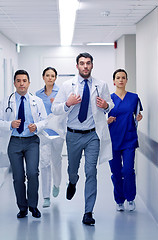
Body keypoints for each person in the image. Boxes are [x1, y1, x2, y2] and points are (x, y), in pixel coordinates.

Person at [52, 52, 114, 225]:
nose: (85, 66)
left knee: (91, 171)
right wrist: (68, 103)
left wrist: (106, 105)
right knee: (73, 169)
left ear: (92, 65)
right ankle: (72, 182)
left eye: (88, 63)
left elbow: (110, 104)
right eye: (82, 63)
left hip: (93, 134)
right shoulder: (67, 86)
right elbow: (55, 109)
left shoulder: (101, 85)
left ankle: (88, 212)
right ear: (77, 66)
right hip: (73, 135)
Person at [0, 70, 47, 218]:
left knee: (33, 173)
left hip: (31, 142)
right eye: (18, 80)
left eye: (24, 80)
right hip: (14, 142)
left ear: (29, 83)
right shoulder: (5, 102)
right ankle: (22, 207)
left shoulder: (37, 101)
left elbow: (45, 120)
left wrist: (37, 126)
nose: (21, 83)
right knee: (18, 177)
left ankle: (33, 206)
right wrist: (10, 124)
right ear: (14, 83)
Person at [107, 69, 143, 212]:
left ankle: (130, 198)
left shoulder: (134, 98)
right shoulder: (108, 99)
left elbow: (137, 114)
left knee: (127, 170)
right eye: (118, 77)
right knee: (116, 172)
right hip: (112, 139)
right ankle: (119, 200)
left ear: (126, 80)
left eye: (123, 77)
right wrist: (107, 121)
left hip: (129, 138)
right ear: (114, 81)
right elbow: (99, 119)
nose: (121, 80)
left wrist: (139, 117)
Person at [35, 67, 65, 208]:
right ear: (43, 77)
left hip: (57, 132)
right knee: (44, 163)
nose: (50, 78)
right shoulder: (37, 94)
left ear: (55, 77)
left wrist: (56, 104)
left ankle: (57, 184)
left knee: (56, 161)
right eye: (47, 75)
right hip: (43, 133)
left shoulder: (61, 93)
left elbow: (66, 111)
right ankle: (46, 196)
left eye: (53, 75)